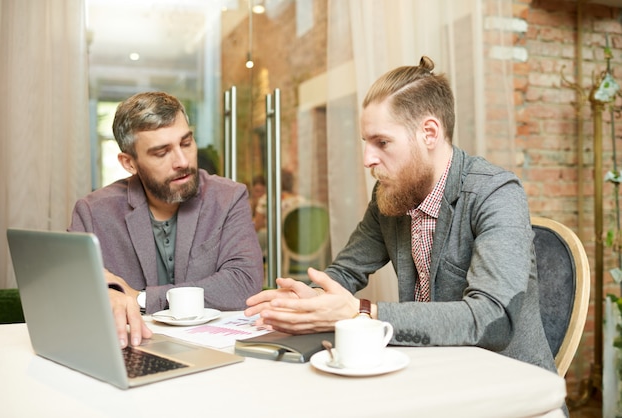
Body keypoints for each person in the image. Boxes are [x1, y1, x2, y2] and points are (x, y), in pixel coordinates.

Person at [245, 57, 559, 377]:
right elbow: (345, 271)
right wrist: (309, 303)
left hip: (508, 385)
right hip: (434, 374)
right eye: (366, 143)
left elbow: (493, 319)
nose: (368, 159)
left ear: (429, 133)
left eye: (382, 142)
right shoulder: (392, 196)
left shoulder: (497, 193)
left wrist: (362, 312)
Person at [69, 92, 263, 348]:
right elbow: (71, 290)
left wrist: (141, 299)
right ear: (129, 163)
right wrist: (99, 294)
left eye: (186, 143)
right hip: (131, 348)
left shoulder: (228, 197)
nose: (182, 162)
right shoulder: (93, 212)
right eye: (161, 152)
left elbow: (243, 284)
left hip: (212, 352)